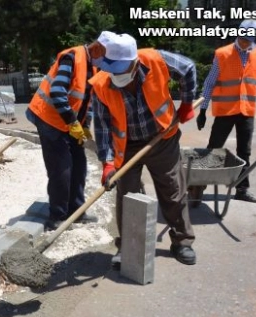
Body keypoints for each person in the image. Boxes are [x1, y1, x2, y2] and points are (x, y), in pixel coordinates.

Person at [89, 31, 197, 266]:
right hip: (126, 146)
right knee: (127, 196)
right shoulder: (100, 85)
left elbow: (188, 68)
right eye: (111, 69)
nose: (114, 75)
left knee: (172, 190)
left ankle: (182, 241)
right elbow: (103, 128)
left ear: (134, 62)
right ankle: (127, 247)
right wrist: (107, 163)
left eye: (119, 69)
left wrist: (187, 103)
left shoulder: (155, 60)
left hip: (163, 137)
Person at [25, 35, 106, 231]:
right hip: (49, 118)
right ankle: (57, 217)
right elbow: (57, 91)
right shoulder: (72, 57)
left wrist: (85, 124)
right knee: (62, 168)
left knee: (79, 163)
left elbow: (88, 100)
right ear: (97, 49)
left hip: (69, 121)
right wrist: (72, 122)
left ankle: (76, 211)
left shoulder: (94, 66)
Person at [196, 19, 256, 203]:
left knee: (244, 152)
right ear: (238, 34)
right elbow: (210, 82)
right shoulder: (222, 54)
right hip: (225, 111)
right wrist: (203, 110)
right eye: (244, 38)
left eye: (249, 39)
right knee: (214, 149)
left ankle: (242, 190)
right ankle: (198, 187)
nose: (246, 42)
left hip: (246, 111)